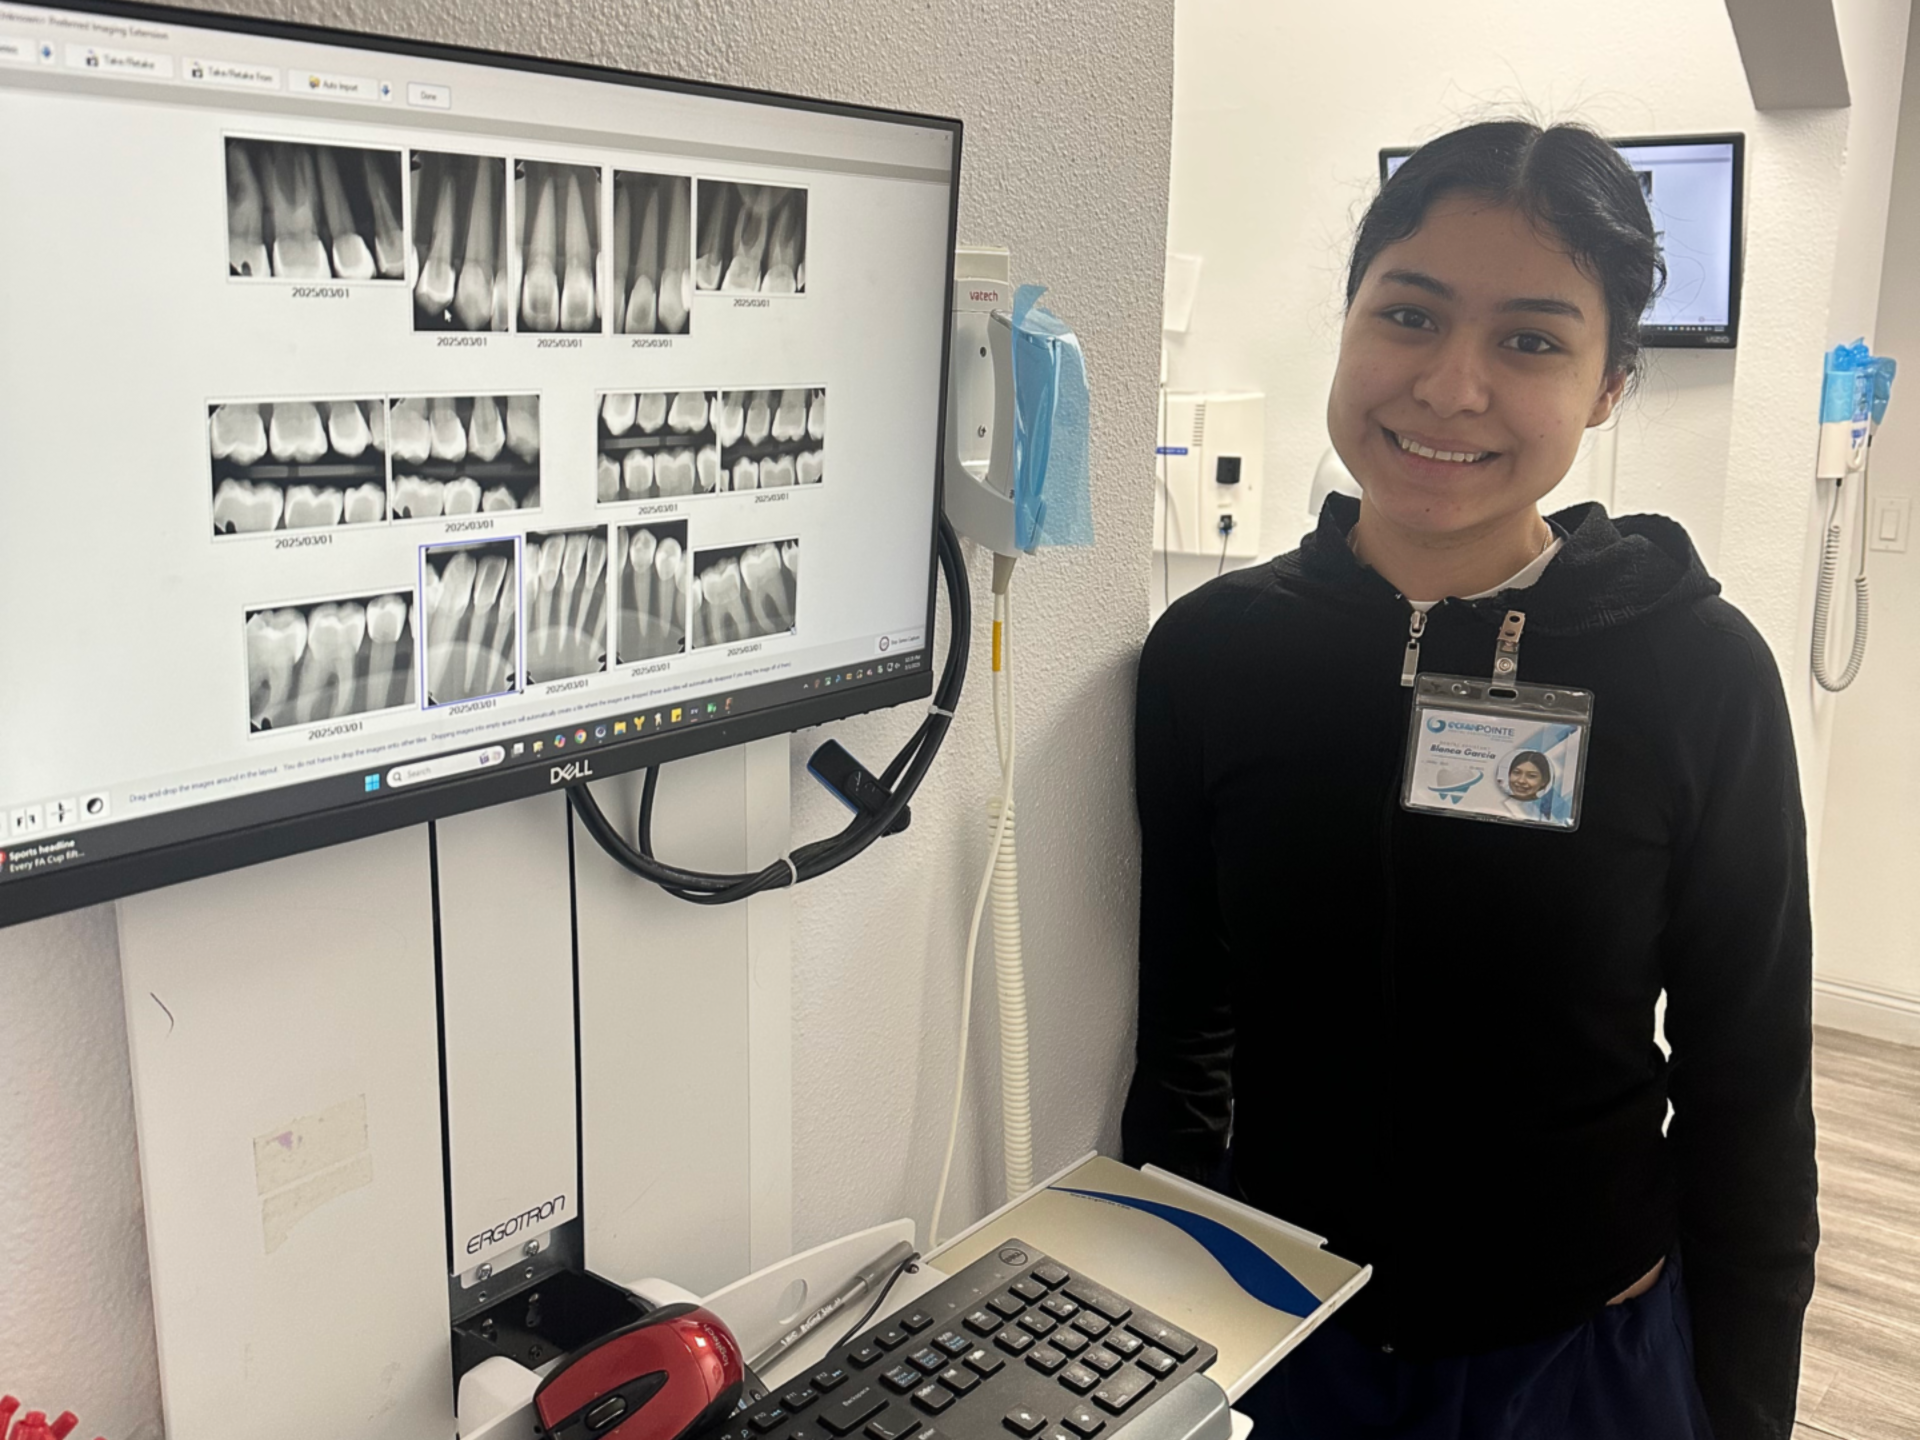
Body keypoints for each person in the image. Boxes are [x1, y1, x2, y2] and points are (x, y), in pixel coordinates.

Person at [1123, 120, 1815, 1440]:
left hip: (1577, 1361)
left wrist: (1744, 1413)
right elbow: (1184, 1041)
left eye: (1532, 340)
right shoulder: (1212, 657)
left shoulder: (1699, 674)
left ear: (1611, 383)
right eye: (1410, 313)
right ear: (1347, 319)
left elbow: (1751, 1096)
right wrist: (1159, 1337)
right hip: (1281, 1347)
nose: (1448, 387)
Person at [1502, 749, 1552, 817]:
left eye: (1531, 776)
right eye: (1516, 772)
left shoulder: (1542, 812)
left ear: (1544, 781)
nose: (1521, 781)